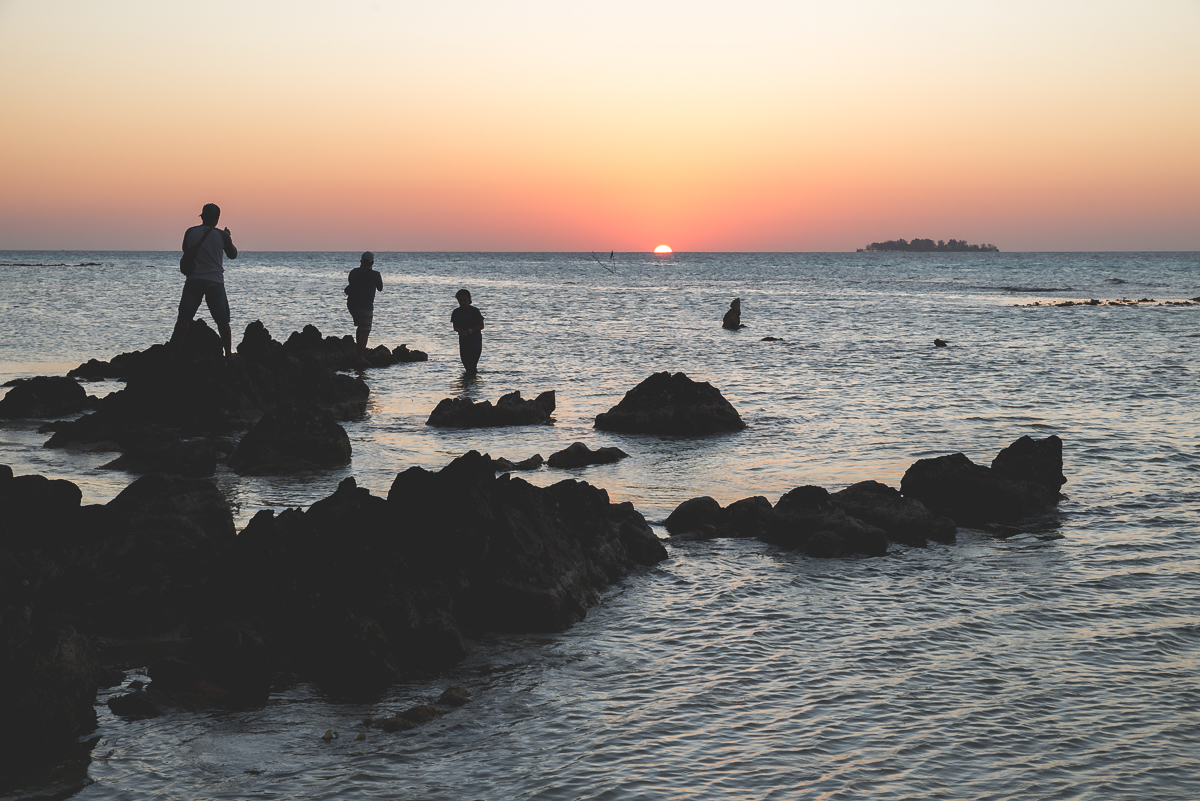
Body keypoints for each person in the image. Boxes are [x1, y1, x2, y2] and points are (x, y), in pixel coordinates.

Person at [172, 203, 238, 360]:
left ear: (202, 217)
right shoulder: (222, 235)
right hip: (215, 282)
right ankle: (228, 354)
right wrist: (228, 237)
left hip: (193, 280)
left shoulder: (190, 232)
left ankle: (174, 354)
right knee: (222, 321)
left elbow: (186, 250)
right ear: (217, 218)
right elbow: (233, 254)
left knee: (184, 319)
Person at [345, 251, 384, 365]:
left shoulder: (353, 272)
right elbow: (380, 288)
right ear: (372, 262)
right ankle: (360, 357)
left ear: (361, 261)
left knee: (360, 327)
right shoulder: (375, 274)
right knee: (365, 331)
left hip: (352, 305)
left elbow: (351, 282)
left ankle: (359, 353)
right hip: (366, 306)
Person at [451, 288, 484, 373]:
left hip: (475, 342)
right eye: (460, 301)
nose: (462, 303)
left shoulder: (474, 311)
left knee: (472, 365)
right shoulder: (456, 312)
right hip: (463, 342)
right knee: (466, 365)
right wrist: (460, 331)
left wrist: (469, 331)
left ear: (469, 299)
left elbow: (481, 326)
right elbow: (455, 326)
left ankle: (472, 380)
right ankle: (469, 380)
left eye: (464, 300)